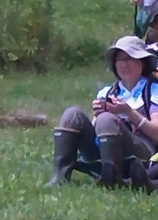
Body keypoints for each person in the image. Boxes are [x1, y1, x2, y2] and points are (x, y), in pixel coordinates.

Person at [49, 35, 158, 190]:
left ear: (142, 62)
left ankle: (112, 178)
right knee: (72, 114)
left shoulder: (153, 91)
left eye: (130, 58)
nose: (124, 64)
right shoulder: (107, 92)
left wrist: (128, 112)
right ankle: (60, 176)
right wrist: (97, 115)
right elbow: (97, 127)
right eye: (120, 59)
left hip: (141, 151)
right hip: (103, 146)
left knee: (107, 119)